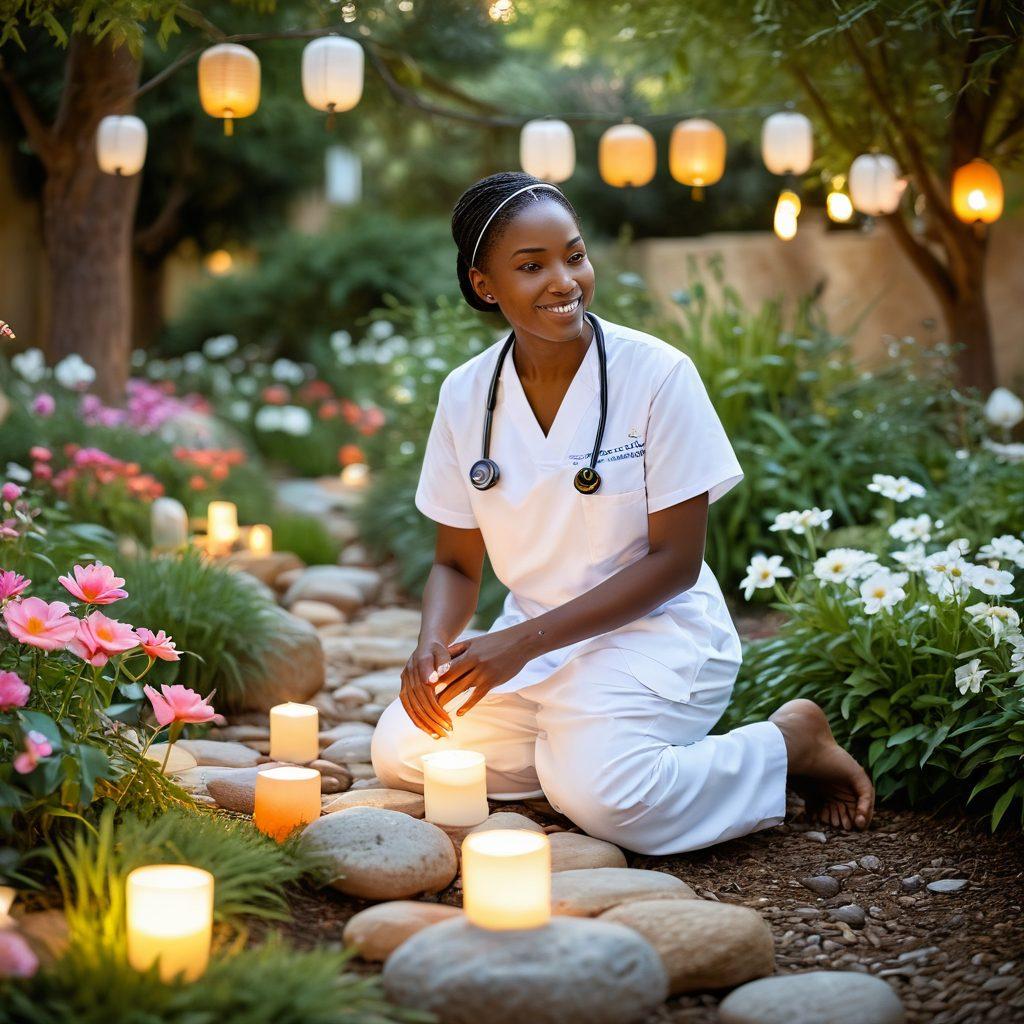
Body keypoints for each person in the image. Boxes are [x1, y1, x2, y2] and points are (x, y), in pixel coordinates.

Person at [370, 170, 874, 855]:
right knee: (403, 748)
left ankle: (788, 743)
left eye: (574, 255)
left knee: (610, 800)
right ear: (484, 285)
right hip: (537, 643)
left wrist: (516, 647)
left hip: (655, 633)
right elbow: (455, 563)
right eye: (531, 266)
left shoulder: (656, 375)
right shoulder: (467, 396)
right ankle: (574, 748)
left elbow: (675, 565)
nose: (564, 281)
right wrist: (433, 645)